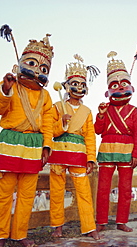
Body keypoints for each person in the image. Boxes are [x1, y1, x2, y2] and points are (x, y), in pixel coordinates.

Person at [0, 32, 54, 247]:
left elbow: (48, 123)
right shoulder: (10, 85)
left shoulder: (46, 96)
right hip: (10, 143)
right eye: (32, 64)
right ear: (20, 63)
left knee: (27, 196)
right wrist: (4, 91)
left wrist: (47, 146)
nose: (37, 71)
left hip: (33, 146)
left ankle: (19, 234)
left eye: (43, 68)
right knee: (2, 194)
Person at [47, 54, 100, 240]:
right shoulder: (57, 106)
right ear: (66, 86)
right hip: (59, 153)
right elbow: (49, 131)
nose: (79, 87)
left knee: (84, 193)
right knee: (56, 192)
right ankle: (57, 226)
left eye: (82, 84)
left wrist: (91, 158)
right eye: (75, 84)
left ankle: (89, 227)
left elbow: (90, 137)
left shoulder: (87, 112)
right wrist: (61, 123)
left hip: (78, 155)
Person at [95, 51, 137, 232]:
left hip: (126, 151)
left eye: (124, 84)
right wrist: (100, 115)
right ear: (108, 90)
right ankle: (101, 221)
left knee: (125, 189)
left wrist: (136, 154)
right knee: (103, 188)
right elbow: (97, 130)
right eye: (116, 85)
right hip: (107, 149)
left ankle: (122, 221)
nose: (121, 88)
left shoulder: (134, 110)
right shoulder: (105, 109)